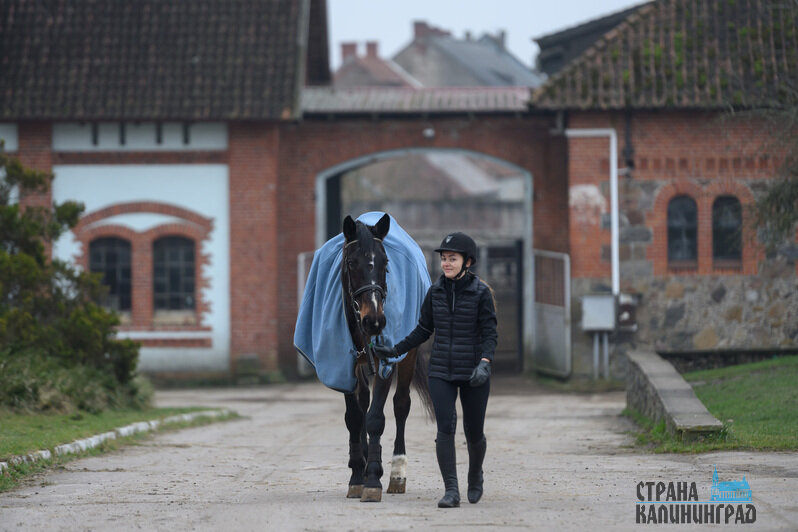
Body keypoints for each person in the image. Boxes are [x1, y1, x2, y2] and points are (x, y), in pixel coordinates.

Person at [374, 232, 497, 508]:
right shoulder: (435, 292)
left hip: (474, 372)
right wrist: (395, 350)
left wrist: (485, 363)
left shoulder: (481, 294)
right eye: (443, 259)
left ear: (468, 262)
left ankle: (475, 475)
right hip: (441, 370)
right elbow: (422, 330)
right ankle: (451, 490)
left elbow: (490, 333)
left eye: (452, 259)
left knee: (474, 432)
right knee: (445, 428)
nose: (446, 263)